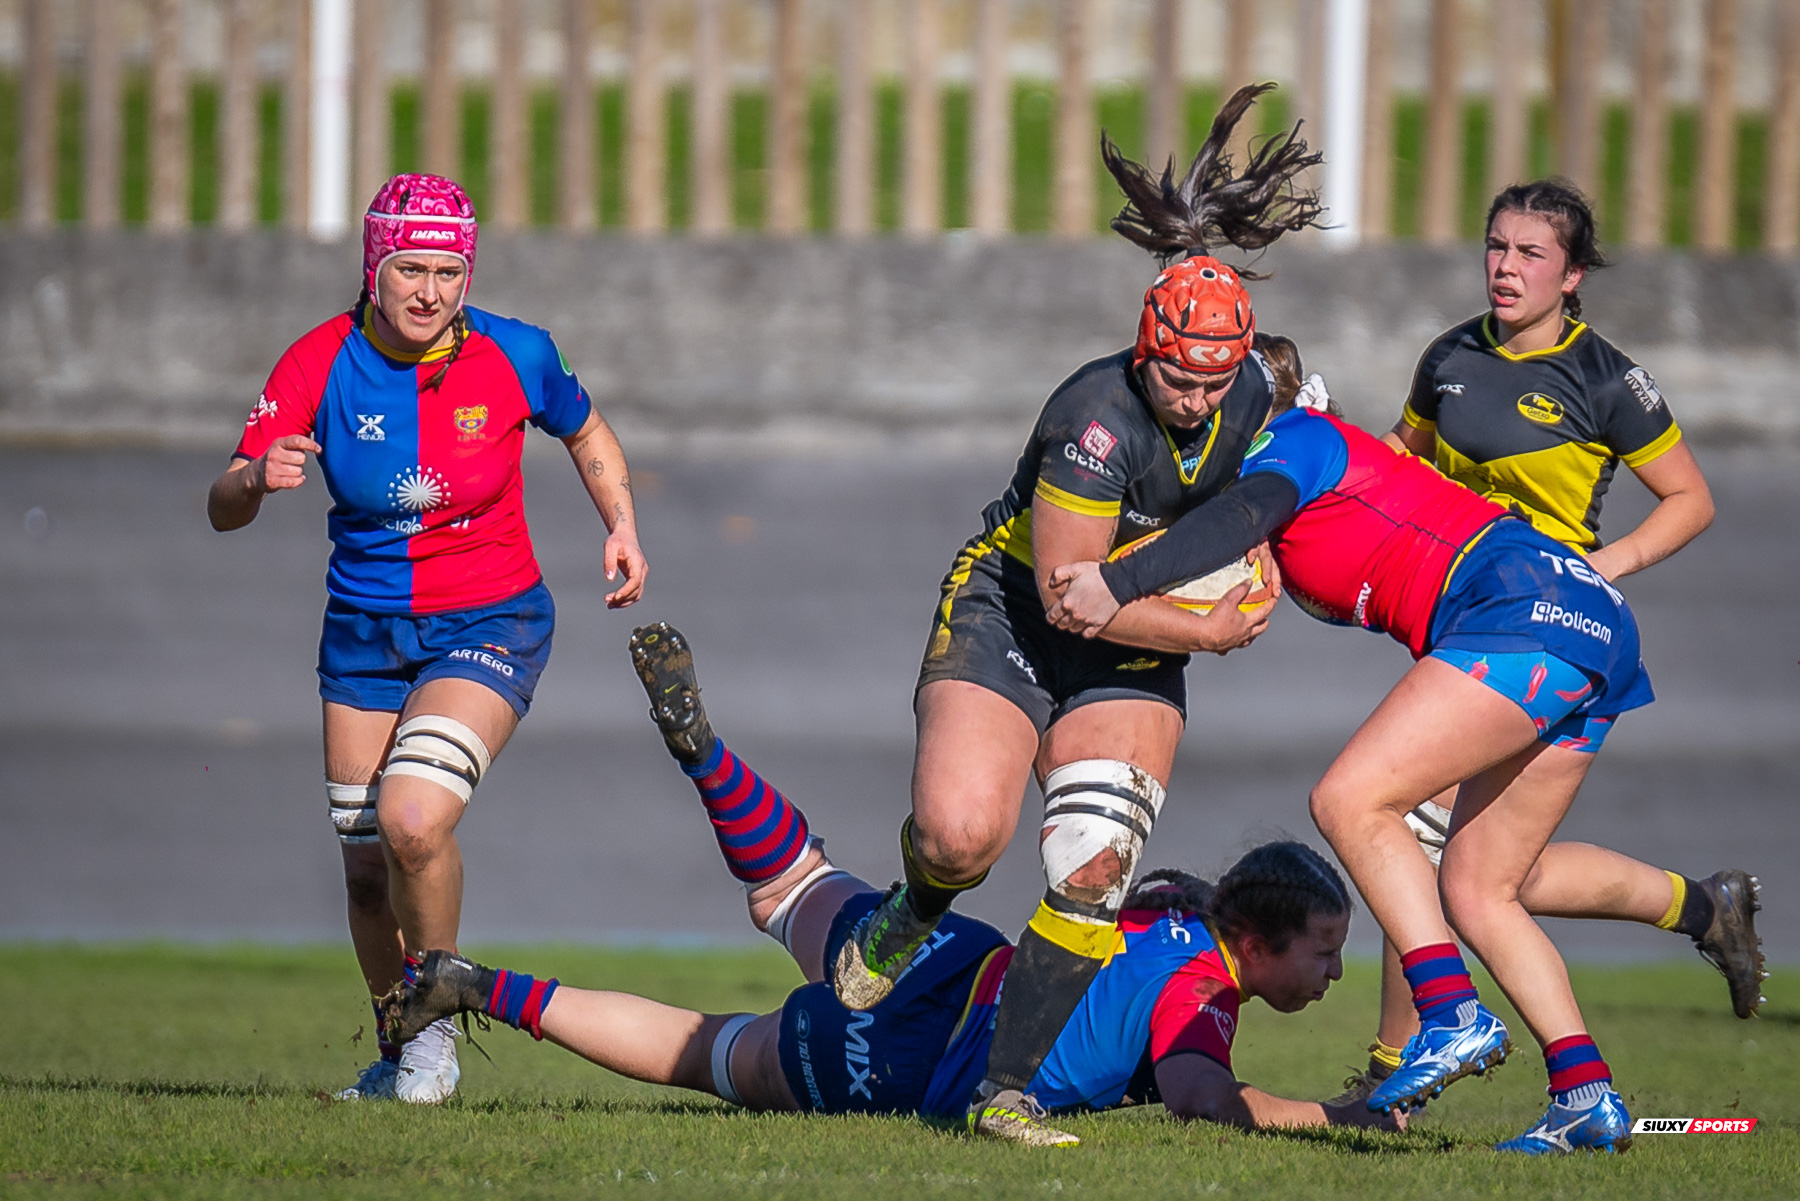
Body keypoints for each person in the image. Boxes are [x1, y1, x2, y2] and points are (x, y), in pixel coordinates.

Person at [826, 83, 1326, 1146]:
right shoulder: (1092, 422)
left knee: (1095, 866)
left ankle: (1001, 1091)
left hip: (1128, 639)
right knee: (963, 838)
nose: (1197, 399)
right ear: (1146, 349)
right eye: (1180, 379)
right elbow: (1075, 597)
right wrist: (1210, 629)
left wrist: (1274, 559)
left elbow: (1292, 486)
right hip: (1020, 613)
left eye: (1216, 380)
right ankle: (911, 911)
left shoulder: (1255, 394)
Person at [379, 623, 1400, 1137]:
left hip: (960, 964)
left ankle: (706, 758)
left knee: (796, 883)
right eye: (1325, 948)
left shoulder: (1167, 912)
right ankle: (478, 986)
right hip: (924, 1061)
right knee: (707, 1053)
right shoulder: (1204, 987)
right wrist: (1336, 1116)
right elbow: (1201, 1098)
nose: (1333, 972)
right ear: (1259, 939)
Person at [1044, 353, 1677, 1154]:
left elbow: (1233, 520)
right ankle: (1584, 1094)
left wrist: (1116, 581)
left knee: (1349, 799)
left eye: (1211, 408)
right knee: (1481, 888)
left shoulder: (1290, 443)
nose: (1196, 425)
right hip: (1590, 619)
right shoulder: (1305, 459)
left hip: (1525, 605)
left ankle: (1450, 1014)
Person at [207, 173, 646, 1104]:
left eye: (449, 271)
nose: (430, 292)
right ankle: (396, 1042)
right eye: (410, 267)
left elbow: (586, 427)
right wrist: (256, 479)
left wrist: (621, 522)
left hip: (492, 620)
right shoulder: (317, 362)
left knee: (412, 822)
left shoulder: (513, 352)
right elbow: (222, 505)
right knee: (366, 870)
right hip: (363, 635)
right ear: (375, 266)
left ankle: (436, 1036)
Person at [1331, 178, 1761, 1103]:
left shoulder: (1605, 378)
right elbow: (1397, 458)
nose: (1505, 267)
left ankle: (1393, 1080)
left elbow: (1692, 500)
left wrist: (1610, 563)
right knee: (1494, 873)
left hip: (1537, 629)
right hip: (1461, 612)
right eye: (1496, 246)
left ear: (1572, 276)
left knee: (1410, 826)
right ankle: (1703, 905)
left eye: (1530, 254)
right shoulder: (1448, 356)